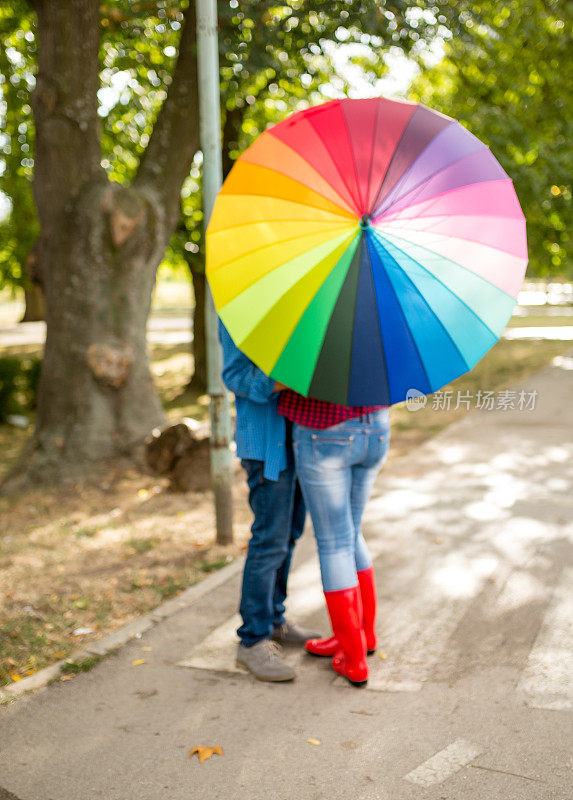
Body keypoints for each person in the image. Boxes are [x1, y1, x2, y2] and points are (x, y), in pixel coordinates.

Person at [219, 323, 321, 682]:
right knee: (269, 539)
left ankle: (274, 619)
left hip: (299, 441)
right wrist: (282, 379)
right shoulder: (240, 312)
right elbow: (235, 376)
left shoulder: (296, 310)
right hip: (266, 446)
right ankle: (252, 639)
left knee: (290, 533)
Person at [278, 389, 390, 687]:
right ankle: (359, 637)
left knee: (335, 544)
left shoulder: (308, 338)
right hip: (375, 423)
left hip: (325, 428)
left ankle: (354, 660)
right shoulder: (372, 338)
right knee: (350, 534)